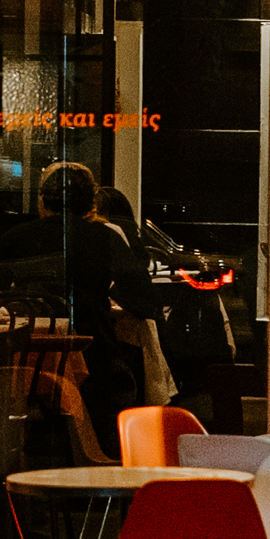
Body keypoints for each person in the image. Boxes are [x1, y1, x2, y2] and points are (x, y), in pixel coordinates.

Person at [38, 162, 161, 460]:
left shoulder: (19, 237)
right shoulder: (104, 237)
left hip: (27, 368)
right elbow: (146, 302)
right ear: (91, 202)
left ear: (43, 201)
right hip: (94, 361)